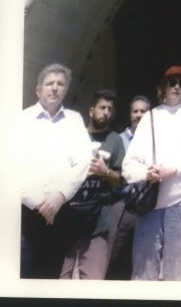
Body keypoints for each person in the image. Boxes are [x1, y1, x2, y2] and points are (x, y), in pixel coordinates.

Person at [122, 64, 181, 280]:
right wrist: (146, 173)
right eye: (172, 82)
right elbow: (128, 167)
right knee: (143, 274)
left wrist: (175, 170)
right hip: (150, 204)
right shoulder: (150, 117)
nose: (177, 87)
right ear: (163, 86)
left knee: (179, 275)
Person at [20, 63, 92, 278]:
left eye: (60, 84)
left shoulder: (74, 120)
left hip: (61, 212)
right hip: (26, 212)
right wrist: (38, 203)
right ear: (38, 90)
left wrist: (60, 196)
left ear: (66, 90)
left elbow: (83, 162)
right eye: (49, 83)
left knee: (51, 274)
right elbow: (9, 166)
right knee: (22, 274)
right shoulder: (21, 120)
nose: (54, 88)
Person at [60, 89, 125, 279]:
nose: (106, 112)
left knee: (92, 280)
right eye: (102, 108)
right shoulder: (76, 136)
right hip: (69, 216)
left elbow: (121, 181)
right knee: (62, 277)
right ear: (91, 111)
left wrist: (104, 172)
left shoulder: (114, 140)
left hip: (99, 220)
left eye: (109, 109)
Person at [106, 95, 151, 280]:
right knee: (113, 255)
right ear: (130, 114)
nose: (139, 115)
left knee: (141, 260)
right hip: (121, 204)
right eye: (135, 111)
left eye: (143, 111)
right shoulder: (118, 140)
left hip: (146, 207)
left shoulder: (155, 141)